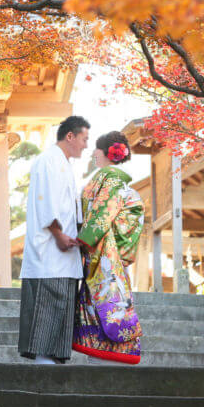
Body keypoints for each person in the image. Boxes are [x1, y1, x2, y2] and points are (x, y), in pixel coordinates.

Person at [18, 115, 90, 364]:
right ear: (70, 136)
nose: (85, 145)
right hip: (48, 251)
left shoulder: (64, 164)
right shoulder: (47, 161)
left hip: (64, 251)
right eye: (84, 139)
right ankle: (42, 363)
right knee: (47, 308)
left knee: (61, 309)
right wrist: (59, 234)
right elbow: (45, 202)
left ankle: (52, 362)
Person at [72, 131, 145, 364]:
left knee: (108, 294)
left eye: (96, 149)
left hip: (104, 242)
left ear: (105, 153)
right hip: (113, 244)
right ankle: (111, 345)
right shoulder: (114, 179)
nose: (93, 153)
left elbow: (104, 211)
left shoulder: (111, 178)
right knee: (109, 294)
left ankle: (107, 344)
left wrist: (85, 237)